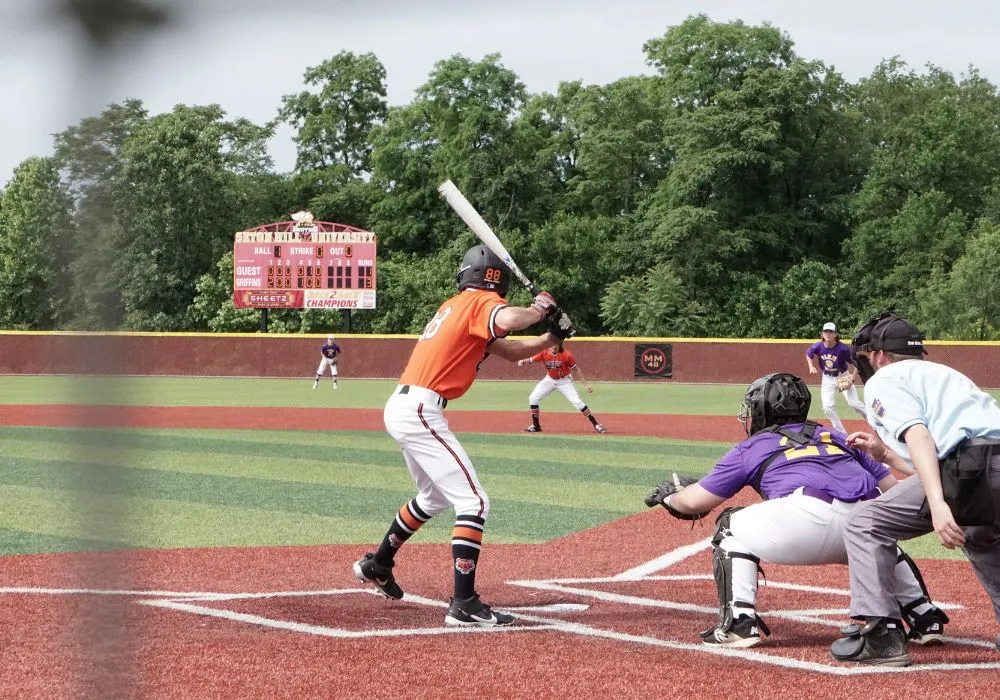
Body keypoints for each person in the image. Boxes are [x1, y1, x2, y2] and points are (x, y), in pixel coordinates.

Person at [352, 244, 574, 627]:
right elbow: (512, 318)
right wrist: (540, 308)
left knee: (432, 496)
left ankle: (378, 563)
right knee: (474, 503)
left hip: (407, 406)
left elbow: (510, 349)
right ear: (495, 279)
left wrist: (552, 335)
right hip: (421, 408)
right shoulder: (478, 303)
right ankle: (464, 602)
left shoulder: (456, 306)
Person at [646, 372, 948, 650]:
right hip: (863, 524)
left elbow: (694, 503)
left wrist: (670, 498)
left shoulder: (751, 447)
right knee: (878, 533)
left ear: (763, 410)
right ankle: (924, 615)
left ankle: (739, 623)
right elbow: (894, 490)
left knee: (729, 525)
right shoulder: (838, 436)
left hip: (805, 521)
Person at [830, 312, 1000, 666]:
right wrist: (886, 453)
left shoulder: (886, 377)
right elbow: (937, 460)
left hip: (969, 470)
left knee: (865, 521)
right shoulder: (948, 375)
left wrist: (938, 505)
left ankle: (883, 635)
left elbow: (922, 438)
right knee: (981, 538)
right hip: (987, 466)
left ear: (879, 355)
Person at [517, 340, 605, 434]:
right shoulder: (544, 352)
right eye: (552, 344)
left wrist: (585, 385)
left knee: (577, 402)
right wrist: (523, 361)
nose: (554, 346)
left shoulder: (567, 355)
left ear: (560, 344)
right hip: (550, 379)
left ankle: (596, 424)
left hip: (565, 381)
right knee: (533, 398)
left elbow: (575, 370)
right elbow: (531, 359)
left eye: (556, 343)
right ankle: (536, 426)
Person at [805, 322, 866, 432]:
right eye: (826, 331)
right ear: (822, 334)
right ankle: (841, 432)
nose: (828, 334)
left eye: (831, 332)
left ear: (835, 334)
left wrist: (853, 376)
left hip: (843, 376)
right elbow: (808, 353)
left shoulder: (843, 349)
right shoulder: (818, 346)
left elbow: (856, 362)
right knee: (827, 407)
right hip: (827, 378)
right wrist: (811, 366)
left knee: (854, 403)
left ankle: (874, 421)